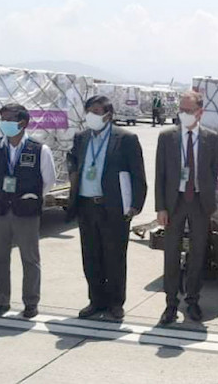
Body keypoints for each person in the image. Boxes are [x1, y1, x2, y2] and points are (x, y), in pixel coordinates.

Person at [66, 95, 147, 320]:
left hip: (113, 206)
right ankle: (96, 300)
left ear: (108, 115)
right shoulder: (81, 137)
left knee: (115, 257)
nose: (91, 116)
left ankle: (116, 302)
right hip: (86, 206)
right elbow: (73, 159)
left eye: (96, 111)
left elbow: (138, 173)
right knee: (91, 256)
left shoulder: (126, 138)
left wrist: (136, 205)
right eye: (89, 111)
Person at [0, 103, 56, 319]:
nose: (4, 123)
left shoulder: (39, 149)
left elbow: (48, 181)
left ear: (22, 123)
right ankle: (1, 300)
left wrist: (29, 197)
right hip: (0, 210)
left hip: (26, 211)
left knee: (29, 258)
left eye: (8, 119)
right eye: (2, 119)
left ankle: (31, 302)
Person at [155, 91, 218, 325]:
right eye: (181, 110)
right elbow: (160, 174)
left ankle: (192, 300)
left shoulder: (211, 138)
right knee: (171, 253)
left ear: (200, 112)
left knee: (198, 253)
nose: (184, 114)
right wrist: (161, 207)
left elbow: (213, 172)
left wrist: (208, 201)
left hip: (200, 202)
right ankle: (171, 303)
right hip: (175, 202)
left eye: (189, 110)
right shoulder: (167, 137)